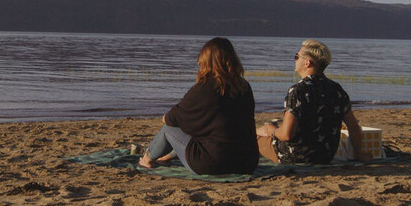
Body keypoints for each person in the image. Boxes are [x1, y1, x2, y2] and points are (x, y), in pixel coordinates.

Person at [138, 37, 259, 175]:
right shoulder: (244, 87)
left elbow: (172, 119)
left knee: (169, 129)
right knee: (198, 126)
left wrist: (165, 117)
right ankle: (166, 156)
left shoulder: (205, 88)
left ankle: (146, 159)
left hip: (214, 164)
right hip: (246, 163)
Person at [256, 39, 373, 164]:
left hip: (294, 156)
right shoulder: (336, 89)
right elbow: (353, 126)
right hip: (325, 156)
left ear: (307, 63)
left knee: (257, 135)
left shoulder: (297, 91)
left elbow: (287, 135)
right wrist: (359, 154)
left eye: (297, 56)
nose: (295, 60)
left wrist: (270, 130)